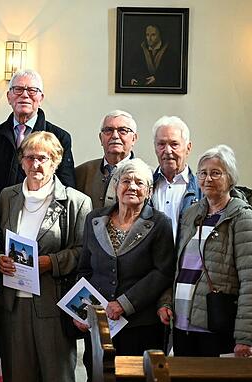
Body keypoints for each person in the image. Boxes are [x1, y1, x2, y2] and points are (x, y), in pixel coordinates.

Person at [0, 131, 91, 382]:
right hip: (14, 304)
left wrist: (51, 262)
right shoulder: (8, 197)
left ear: (55, 162)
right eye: (30, 157)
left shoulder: (76, 201)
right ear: (21, 162)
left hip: (53, 304)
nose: (35, 164)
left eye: (43, 158)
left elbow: (83, 253)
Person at [158, 145, 252, 358]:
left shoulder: (241, 218)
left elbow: (250, 281)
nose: (208, 178)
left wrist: (245, 337)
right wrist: (166, 302)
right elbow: (177, 268)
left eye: (215, 173)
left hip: (216, 327)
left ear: (230, 178)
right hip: (182, 325)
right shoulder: (192, 214)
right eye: (203, 173)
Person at [77, 158, 174, 358]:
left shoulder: (160, 223)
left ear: (149, 191)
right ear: (116, 186)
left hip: (140, 325)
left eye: (139, 183)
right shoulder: (94, 219)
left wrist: (124, 303)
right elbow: (85, 270)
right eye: (126, 181)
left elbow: (163, 271)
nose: (132, 186)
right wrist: (80, 311)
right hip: (99, 324)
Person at [0, 69, 76, 208]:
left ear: (41, 98)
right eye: (18, 89)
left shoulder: (59, 137)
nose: (24, 95)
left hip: (41, 216)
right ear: (9, 97)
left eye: (32, 90)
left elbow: (66, 186)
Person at [75, 110, 139, 209]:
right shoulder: (82, 173)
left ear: (134, 138)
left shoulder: (147, 175)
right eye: (108, 130)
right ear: (101, 138)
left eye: (123, 130)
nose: (115, 136)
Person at [151, 116, 201, 239]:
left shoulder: (202, 190)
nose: (167, 151)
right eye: (161, 144)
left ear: (188, 148)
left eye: (174, 144)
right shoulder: (144, 187)